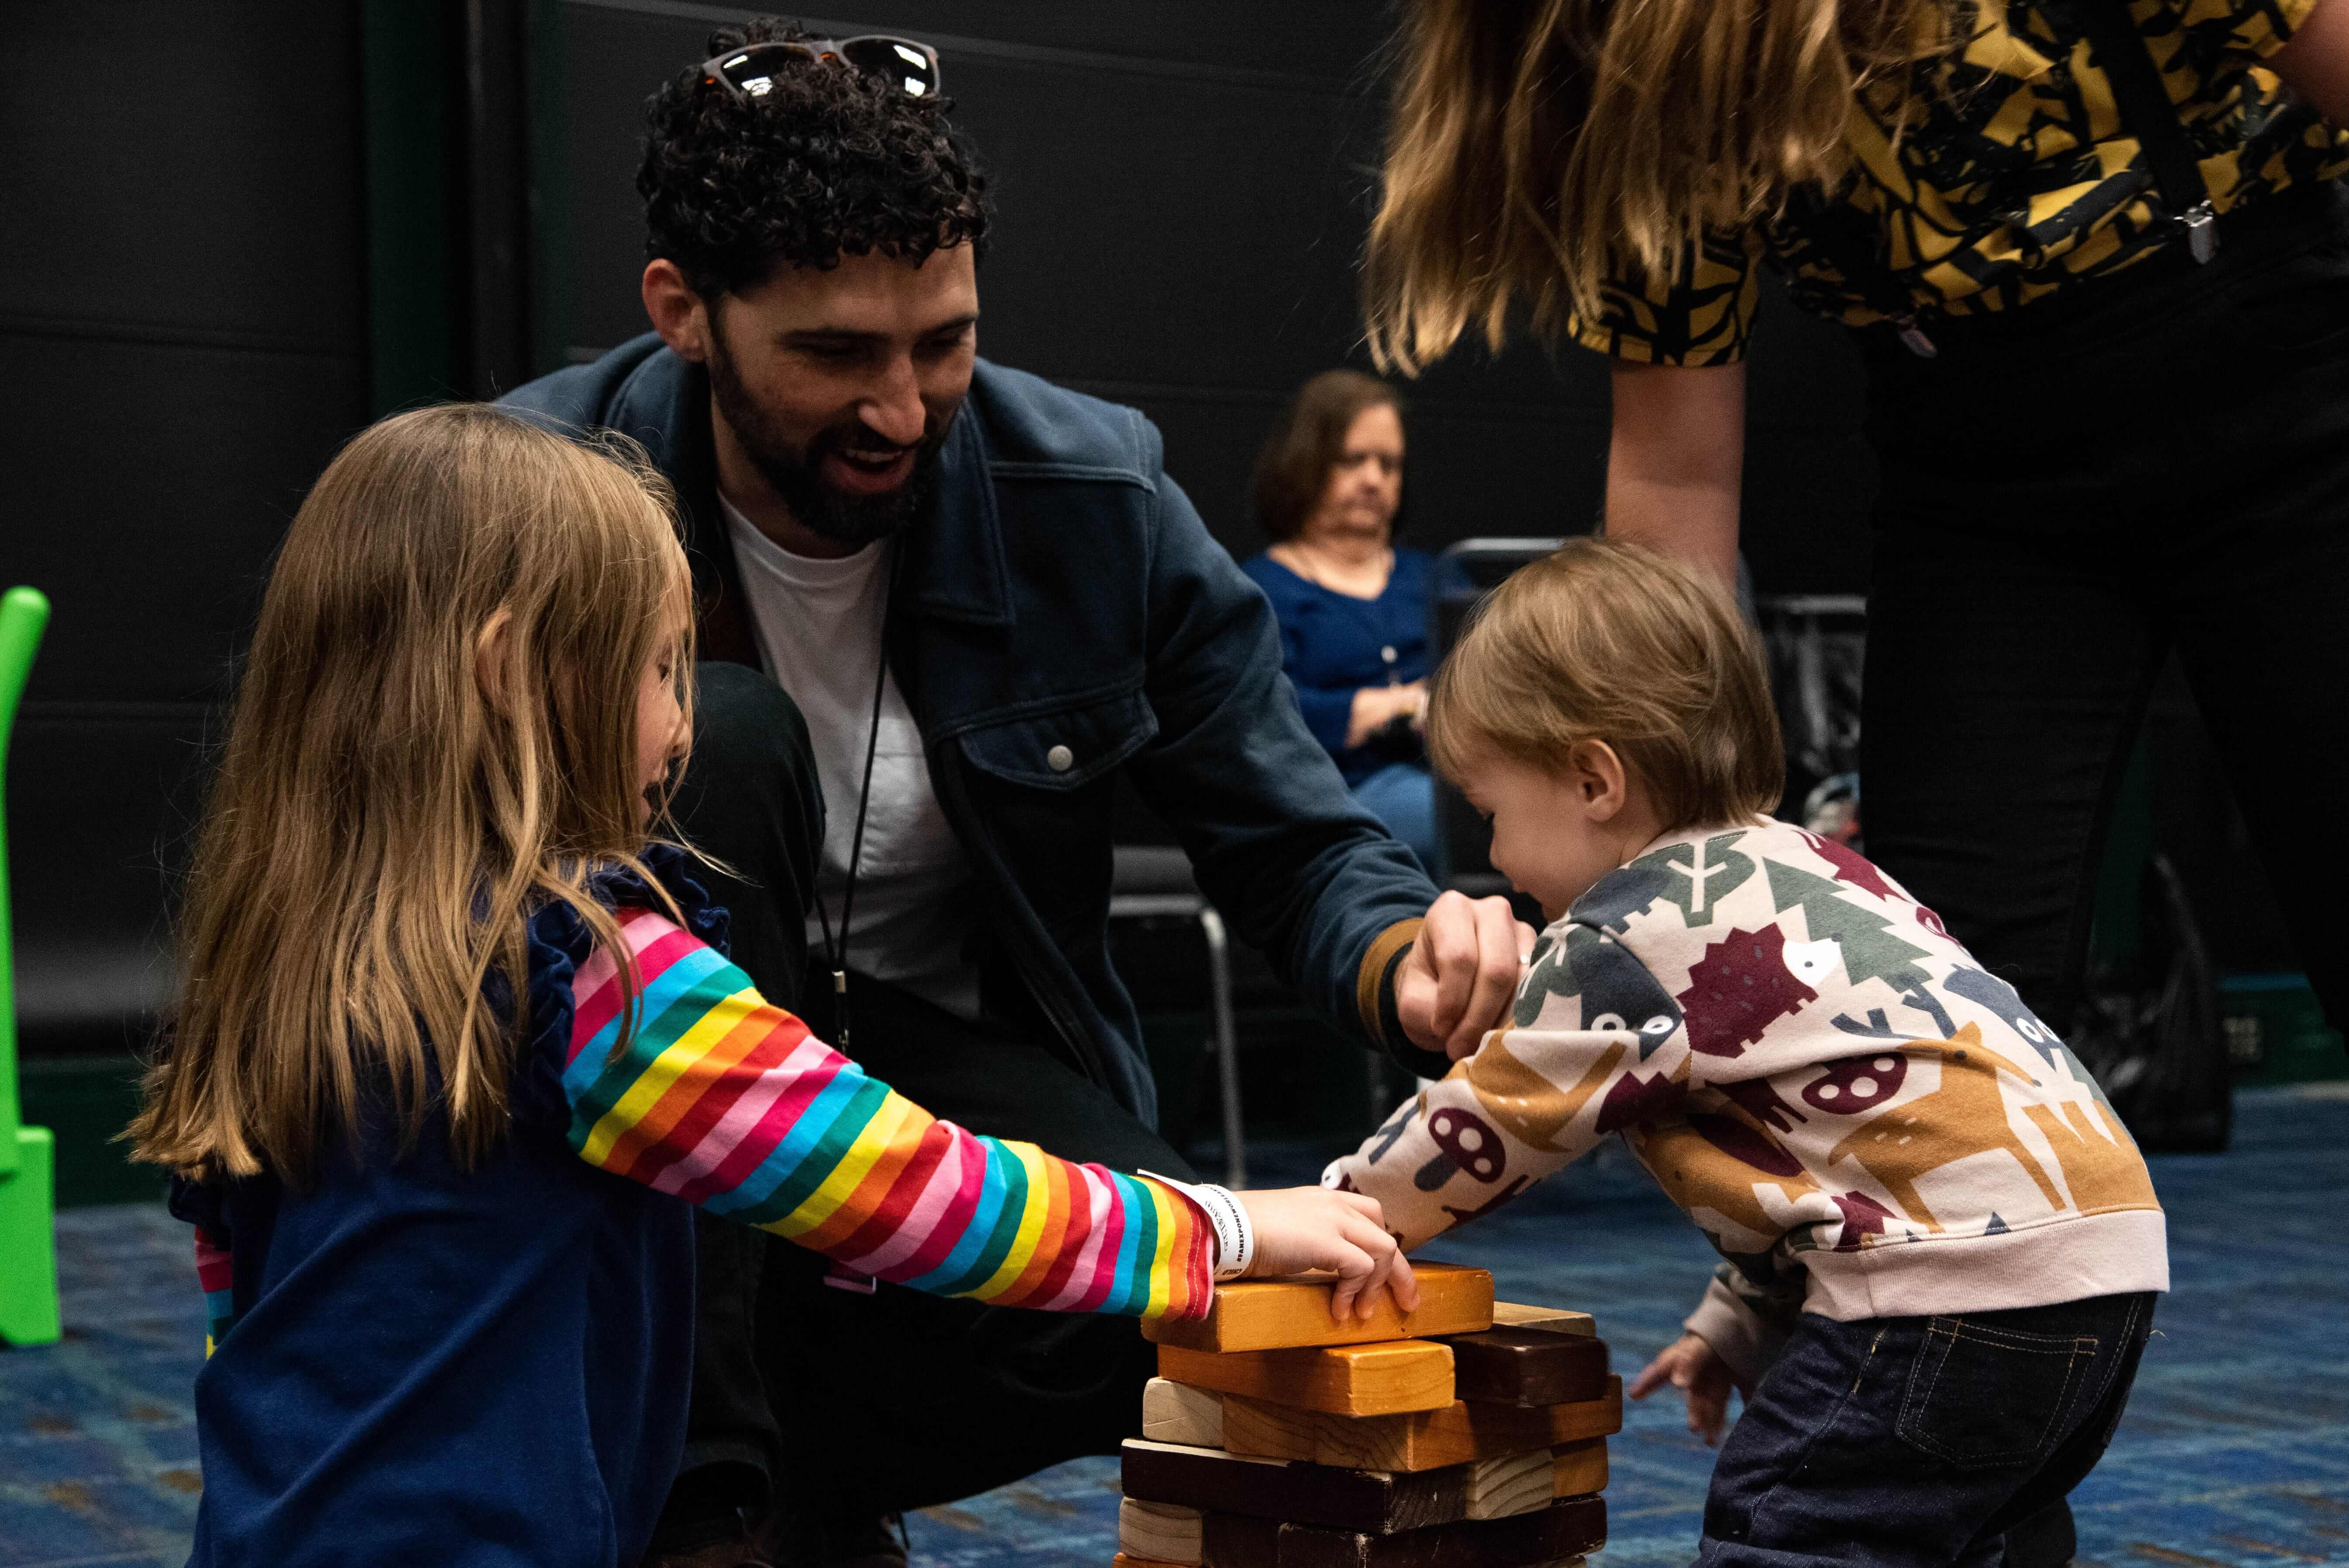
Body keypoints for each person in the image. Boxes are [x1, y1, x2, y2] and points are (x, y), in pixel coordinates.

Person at [501, 21, 1530, 1564]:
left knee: (1188, 1291)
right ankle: (708, 1510)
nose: (905, 409)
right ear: (685, 315)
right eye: (838, 353)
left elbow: (1294, 833)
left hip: (943, 1046)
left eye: (944, 342)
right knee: (729, 735)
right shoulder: (536, 494)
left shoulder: (1096, 495)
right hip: (639, 1074)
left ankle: (796, 1485)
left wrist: (1411, 959)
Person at [127, 405, 1414, 1568]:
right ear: (509, 668)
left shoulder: (274, 966)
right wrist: (1229, 1231)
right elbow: (919, 1192)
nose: (684, 725)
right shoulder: (601, 979)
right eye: (654, 669)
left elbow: (236, 1323)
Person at [1360, 0, 2349, 1065]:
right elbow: (1673, 469)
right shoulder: (1634, 75)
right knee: (1939, 1002)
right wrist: (1663, 845)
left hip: (2280, 375)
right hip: (1981, 471)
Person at [1327, 538, 2166, 1568]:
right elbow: (1846, 1144)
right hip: (2100, 1268)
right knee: (1978, 1531)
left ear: (1593, 779)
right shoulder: (1817, 867)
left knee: (1791, 1523)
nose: (1494, 856)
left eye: (1493, 813)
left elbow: (1493, 1121)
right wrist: (1738, 1320)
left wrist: (1341, 1215)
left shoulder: (1624, 934)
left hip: (1947, 1290)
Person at [1241, 371, 1443, 879]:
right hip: (1337, 799)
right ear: (1305, 463)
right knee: (1458, 820)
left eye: (1390, 464)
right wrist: (1387, 707)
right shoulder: (1261, 589)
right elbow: (1261, 719)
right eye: (1353, 460)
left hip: (1457, 778)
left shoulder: (1437, 576)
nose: (1374, 479)